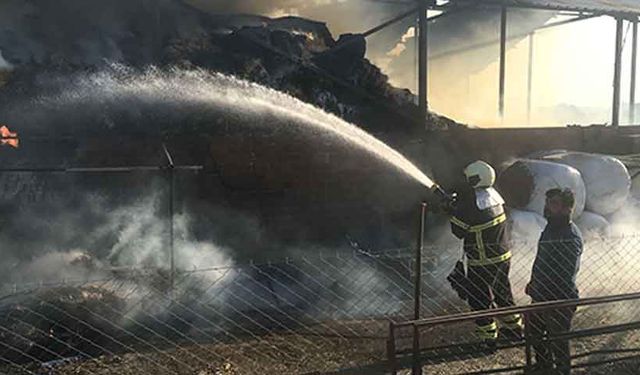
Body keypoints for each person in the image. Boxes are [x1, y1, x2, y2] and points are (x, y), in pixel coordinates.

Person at [447, 160, 523, 344]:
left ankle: (488, 339)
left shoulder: (471, 205)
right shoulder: (493, 196)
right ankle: (515, 330)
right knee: (503, 295)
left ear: (474, 179)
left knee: (479, 300)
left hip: (482, 262)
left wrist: (451, 211)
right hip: (502, 257)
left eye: (467, 178)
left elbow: (458, 231)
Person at [526, 188, 583, 374]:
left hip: (560, 298)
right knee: (533, 333)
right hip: (541, 295)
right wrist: (533, 283)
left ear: (567, 209)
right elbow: (541, 260)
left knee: (558, 340)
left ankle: (562, 371)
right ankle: (543, 367)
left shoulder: (570, 237)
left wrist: (545, 295)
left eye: (554, 204)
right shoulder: (551, 228)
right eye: (548, 202)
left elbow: (564, 275)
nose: (547, 207)